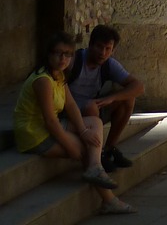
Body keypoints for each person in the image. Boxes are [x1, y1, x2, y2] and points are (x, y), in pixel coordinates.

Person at [14, 31, 135, 215]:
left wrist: (83, 130)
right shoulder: (42, 80)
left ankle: (95, 167)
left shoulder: (60, 75)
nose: (63, 59)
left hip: (50, 125)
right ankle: (109, 199)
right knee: (87, 148)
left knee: (94, 122)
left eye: (68, 54)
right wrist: (68, 143)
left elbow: (70, 105)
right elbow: (50, 121)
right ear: (48, 54)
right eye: (58, 53)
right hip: (34, 133)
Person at [68, 25, 145, 173]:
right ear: (90, 44)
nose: (103, 53)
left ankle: (109, 148)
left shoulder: (109, 64)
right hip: (70, 111)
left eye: (108, 49)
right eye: (99, 47)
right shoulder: (74, 61)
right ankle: (97, 154)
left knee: (128, 99)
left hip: (94, 108)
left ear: (113, 50)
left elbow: (138, 87)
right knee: (91, 106)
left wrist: (112, 98)